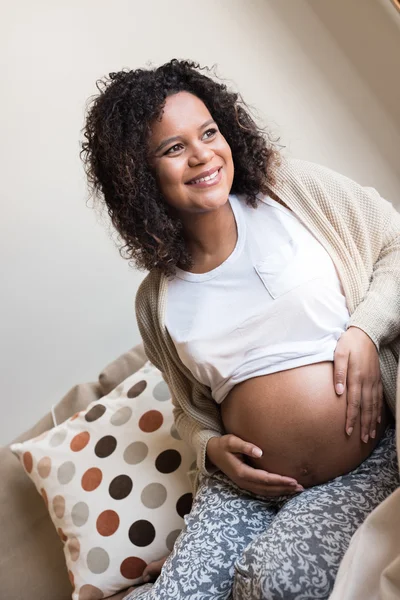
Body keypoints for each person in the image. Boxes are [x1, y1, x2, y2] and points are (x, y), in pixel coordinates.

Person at [81, 59, 400, 600]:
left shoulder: (292, 194)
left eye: (208, 132)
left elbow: (396, 246)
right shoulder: (155, 300)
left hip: (366, 460)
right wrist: (208, 448)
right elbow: (189, 409)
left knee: (270, 580)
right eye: (173, 147)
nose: (203, 154)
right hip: (243, 489)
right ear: (139, 175)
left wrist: (366, 331)